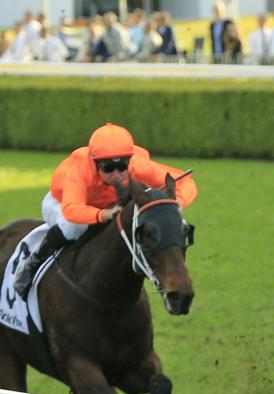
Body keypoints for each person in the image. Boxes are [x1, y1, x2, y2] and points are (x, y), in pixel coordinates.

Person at [12, 123, 198, 297]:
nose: (116, 174)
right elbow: (72, 209)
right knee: (75, 227)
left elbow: (184, 181)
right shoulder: (79, 171)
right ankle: (32, 264)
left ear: (129, 161)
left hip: (108, 203)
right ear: (94, 163)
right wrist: (104, 215)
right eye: (108, 167)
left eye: (121, 166)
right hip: (62, 203)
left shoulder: (139, 166)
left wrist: (177, 202)